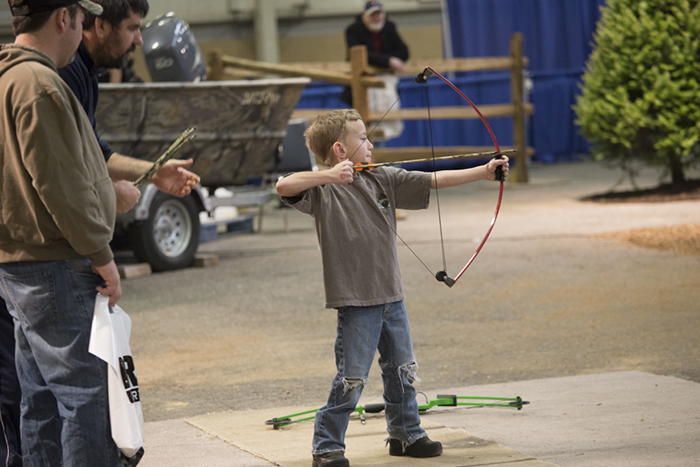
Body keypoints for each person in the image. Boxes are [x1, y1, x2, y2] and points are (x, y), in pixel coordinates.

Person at [275, 109, 509, 467]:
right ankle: (326, 446)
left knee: (402, 370)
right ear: (340, 149)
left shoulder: (382, 178)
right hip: (356, 301)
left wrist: (485, 171)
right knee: (351, 377)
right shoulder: (322, 191)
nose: (370, 145)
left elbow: (433, 180)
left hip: (392, 296)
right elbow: (283, 185)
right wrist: (329, 177)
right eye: (363, 138)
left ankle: (406, 433)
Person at [0, 1, 125, 465]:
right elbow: (60, 185)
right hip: (55, 265)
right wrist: (101, 254)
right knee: (86, 399)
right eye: (81, 18)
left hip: (19, 267)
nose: (85, 27)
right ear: (62, 18)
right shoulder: (39, 84)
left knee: (41, 399)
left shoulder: (7, 78)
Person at [58, 0, 200, 214]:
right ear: (101, 26)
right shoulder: (67, 71)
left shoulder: (86, 73)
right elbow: (63, 166)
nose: (140, 40)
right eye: (132, 28)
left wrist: (156, 172)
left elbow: (97, 155)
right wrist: (110, 194)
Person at [341, 0, 409, 108]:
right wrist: (388, 61)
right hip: (361, 82)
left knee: (390, 109)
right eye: (372, 14)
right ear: (364, 16)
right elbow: (359, 54)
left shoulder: (389, 27)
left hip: (385, 80)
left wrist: (383, 60)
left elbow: (404, 52)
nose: (376, 17)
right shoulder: (353, 30)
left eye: (379, 14)